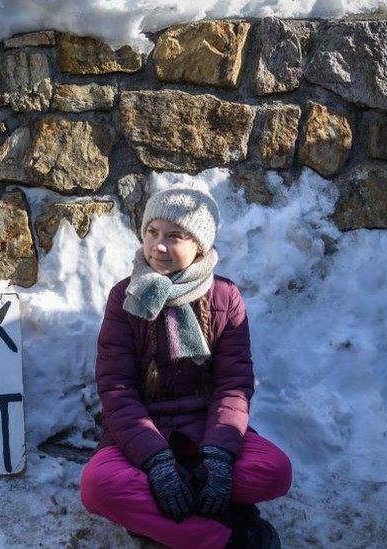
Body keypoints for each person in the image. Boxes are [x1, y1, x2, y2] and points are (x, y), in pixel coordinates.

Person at [79, 187, 292, 548]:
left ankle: (169, 513)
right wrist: (156, 460)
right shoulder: (124, 296)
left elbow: (233, 385)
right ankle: (232, 536)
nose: (158, 246)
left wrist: (220, 456)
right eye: (152, 233)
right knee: (97, 488)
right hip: (141, 434)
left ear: (200, 245)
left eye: (174, 236)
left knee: (275, 471)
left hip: (205, 430)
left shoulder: (225, 297)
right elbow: (116, 389)